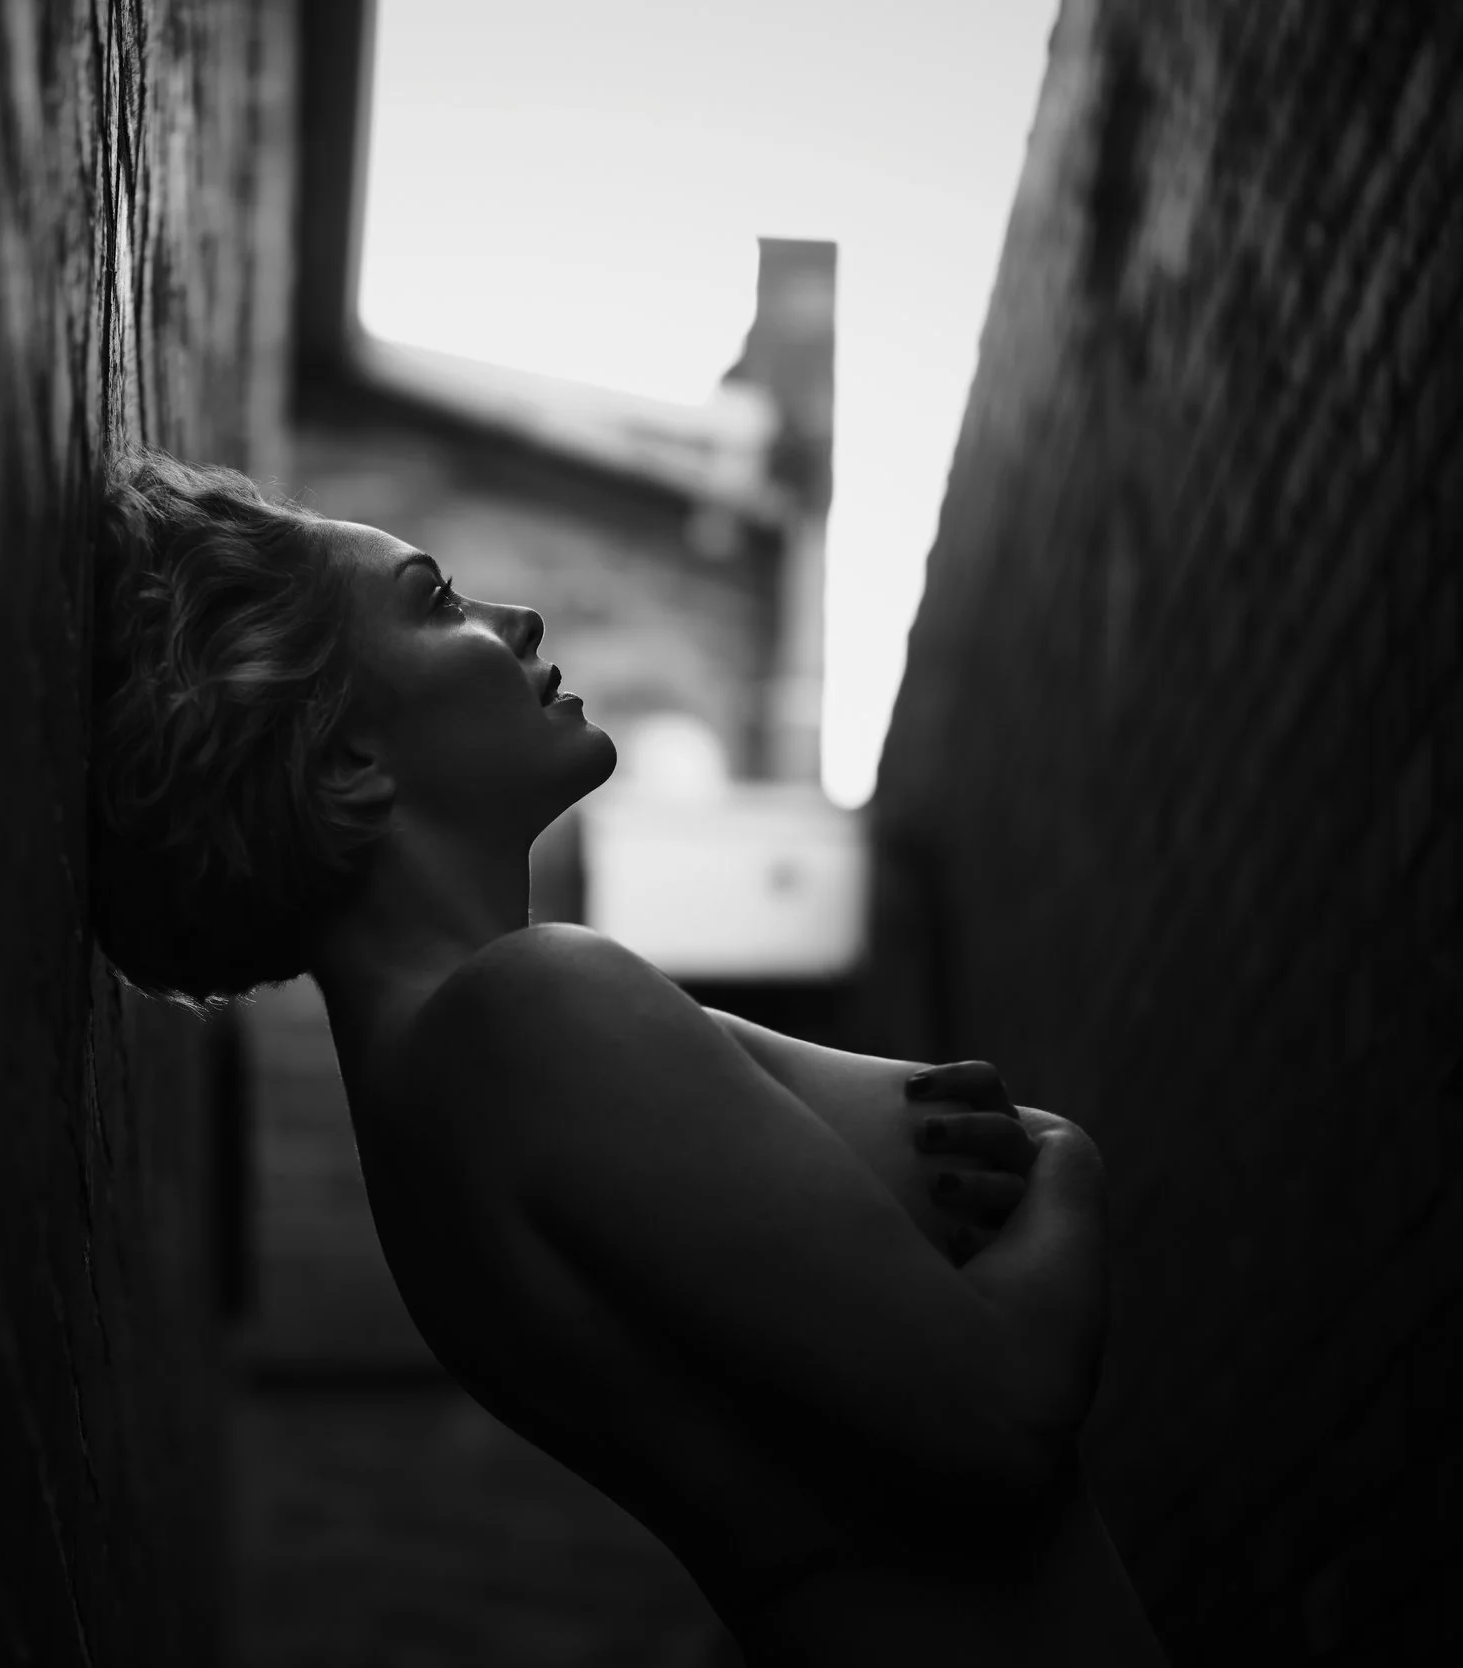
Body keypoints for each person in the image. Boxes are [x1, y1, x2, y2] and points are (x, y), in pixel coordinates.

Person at [89, 448, 1170, 1666]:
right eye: (439, 603)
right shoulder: (527, 1007)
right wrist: (1066, 1161)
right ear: (349, 759)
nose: (517, 615)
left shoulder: (446, 1076)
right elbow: (999, 1419)